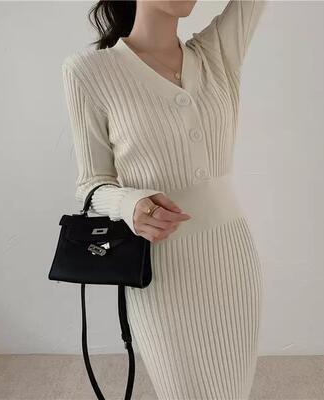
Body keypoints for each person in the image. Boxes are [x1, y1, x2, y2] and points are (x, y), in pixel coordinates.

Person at [61, 0, 267, 398]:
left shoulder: (217, 54)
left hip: (233, 261)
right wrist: (129, 205)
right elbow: (91, 184)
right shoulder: (89, 71)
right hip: (160, 270)